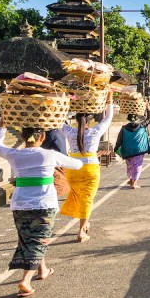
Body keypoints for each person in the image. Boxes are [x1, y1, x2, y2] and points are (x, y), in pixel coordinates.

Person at [0, 117, 85, 297]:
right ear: (42, 137)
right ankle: (25, 281)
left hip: (20, 204)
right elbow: (78, 164)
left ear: (23, 136)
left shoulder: (14, 154)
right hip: (44, 204)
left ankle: (43, 270)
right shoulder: (49, 155)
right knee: (39, 240)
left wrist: (1, 126)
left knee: (28, 238)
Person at [60, 93, 114, 241]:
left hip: (72, 170)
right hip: (90, 169)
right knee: (87, 198)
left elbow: (57, 119)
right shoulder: (95, 132)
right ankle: (81, 231)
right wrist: (109, 100)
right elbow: (108, 118)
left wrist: (64, 100)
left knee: (79, 195)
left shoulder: (70, 132)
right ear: (90, 120)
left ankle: (85, 223)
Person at [114, 108, 150, 188]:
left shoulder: (124, 128)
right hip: (138, 150)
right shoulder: (142, 125)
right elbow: (149, 119)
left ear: (128, 119)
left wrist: (116, 147)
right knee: (137, 166)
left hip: (127, 151)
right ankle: (134, 183)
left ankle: (131, 179)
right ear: (137, 119)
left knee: (130, 165)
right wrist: (148, 109)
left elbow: (119, 139)